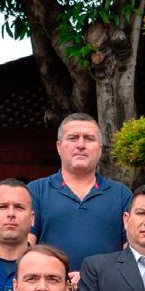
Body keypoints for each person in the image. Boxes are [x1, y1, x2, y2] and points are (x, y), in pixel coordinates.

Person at [27, 113, 132, 274]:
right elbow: (26, 250)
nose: (81, 145)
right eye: (73, 138)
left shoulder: (121, 195)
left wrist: (92, 279)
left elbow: (130, 254)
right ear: (59, 147)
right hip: (51, 285)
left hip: (106, 286)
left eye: (89, 138)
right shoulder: (36, 191)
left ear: (100, 149)